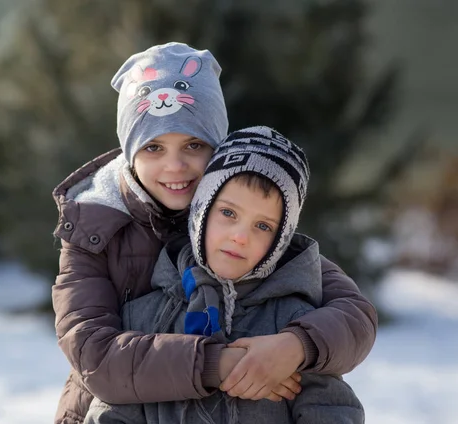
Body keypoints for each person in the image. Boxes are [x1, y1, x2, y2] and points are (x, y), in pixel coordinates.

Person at [52, 42, 377, 424]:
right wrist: (223, 364)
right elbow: (95, 355)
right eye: (154, 147)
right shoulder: (95, 229)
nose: (175, 166)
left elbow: (355, 315)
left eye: (193, 144)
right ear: (129, 152)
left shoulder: (238, 220)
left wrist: (293, 347)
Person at [84, 126, 365, 423]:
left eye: (263, 226)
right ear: (200, 212)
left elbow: (331, 411)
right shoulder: (144, 318)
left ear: (280, 241)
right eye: (228, 213)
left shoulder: (294, 323)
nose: (240, 236)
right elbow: (113, 410)